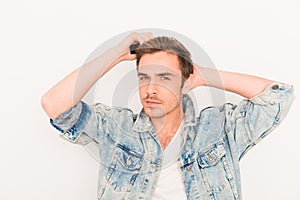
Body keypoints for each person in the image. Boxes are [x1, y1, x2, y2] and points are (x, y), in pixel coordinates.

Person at [41, 32, 294, 200]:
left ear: (186, 82)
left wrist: (205, 75)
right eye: (144, 77)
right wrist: (118, 54)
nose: (150, 89)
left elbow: (280, 97)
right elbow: (54, 104)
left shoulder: (220, 129)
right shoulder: (115, 129)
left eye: (164, 78)